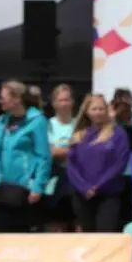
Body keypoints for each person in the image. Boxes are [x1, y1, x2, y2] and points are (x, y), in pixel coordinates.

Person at [0, 80, 51, 233]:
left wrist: (38, 186)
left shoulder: (37, 121)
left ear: (17, 98)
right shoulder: (1, 121)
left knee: (20, 235)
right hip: (1, 186)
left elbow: (44, 157)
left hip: (24, 187)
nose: (0, 101)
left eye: (4, 97)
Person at [66, 94, 131, 233]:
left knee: (105, 231)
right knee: (87, 232)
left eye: (101, 109)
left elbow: (119, 163)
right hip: (82, 194)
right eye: (94, 109)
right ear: (87, 111)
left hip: (108, 193)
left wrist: (98, 186)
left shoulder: (118, 134)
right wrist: (84, 187)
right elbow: (71, 165)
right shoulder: (79, 134)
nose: (98, 112)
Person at [45, 85, 77, 232]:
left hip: (78, 177)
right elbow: (51, 152)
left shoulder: (80, 124)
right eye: (60, 100)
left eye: (67, 100)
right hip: (55, 179)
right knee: (56, 224)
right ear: (54, 103)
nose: (64, 103)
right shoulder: (48, 125)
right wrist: (73, 150)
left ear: (72, 102)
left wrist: (64, 151)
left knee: (77, 222)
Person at [111, 88, 132, 226]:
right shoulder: (106, 120)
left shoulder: (129, 121)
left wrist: (129, 125)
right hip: (108, 176)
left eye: (129, 106)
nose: (125, 109)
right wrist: (113, 118)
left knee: (126, 217)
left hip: (125, 174)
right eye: (122, 105)